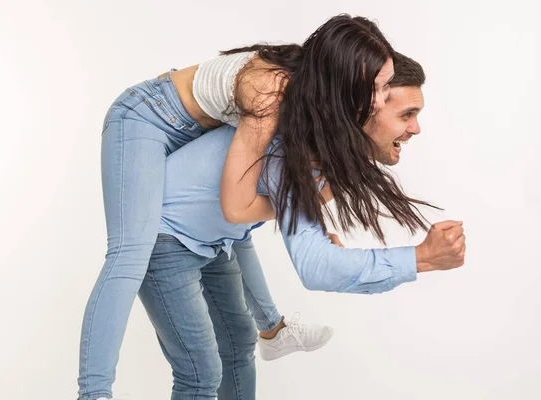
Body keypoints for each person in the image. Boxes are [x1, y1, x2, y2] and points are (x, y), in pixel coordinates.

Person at [78, 14, 396, 400]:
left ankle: (273, 329)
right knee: (131, 252)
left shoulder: (312, 91)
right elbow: (238, 204)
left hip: (190, 132)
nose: (382, 100)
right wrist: (298, 213)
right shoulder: (273, 92)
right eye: (377, 87)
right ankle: (93, 394)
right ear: (344, 75)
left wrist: (311, 228)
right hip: (146, 118)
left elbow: (274, 186)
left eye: (387, 87)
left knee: (229, 235)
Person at [135, 52, 466, 399]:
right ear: (365, 108)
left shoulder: (319, 146)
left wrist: (318, 231)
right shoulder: (292, 146)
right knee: (201, 371)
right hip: (165, 239)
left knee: (237, 345)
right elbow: (315, 267)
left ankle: (273, 332)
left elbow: (289, 208)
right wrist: (421, 257)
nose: (416, 127)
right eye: (407, 114)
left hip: (216, 241)